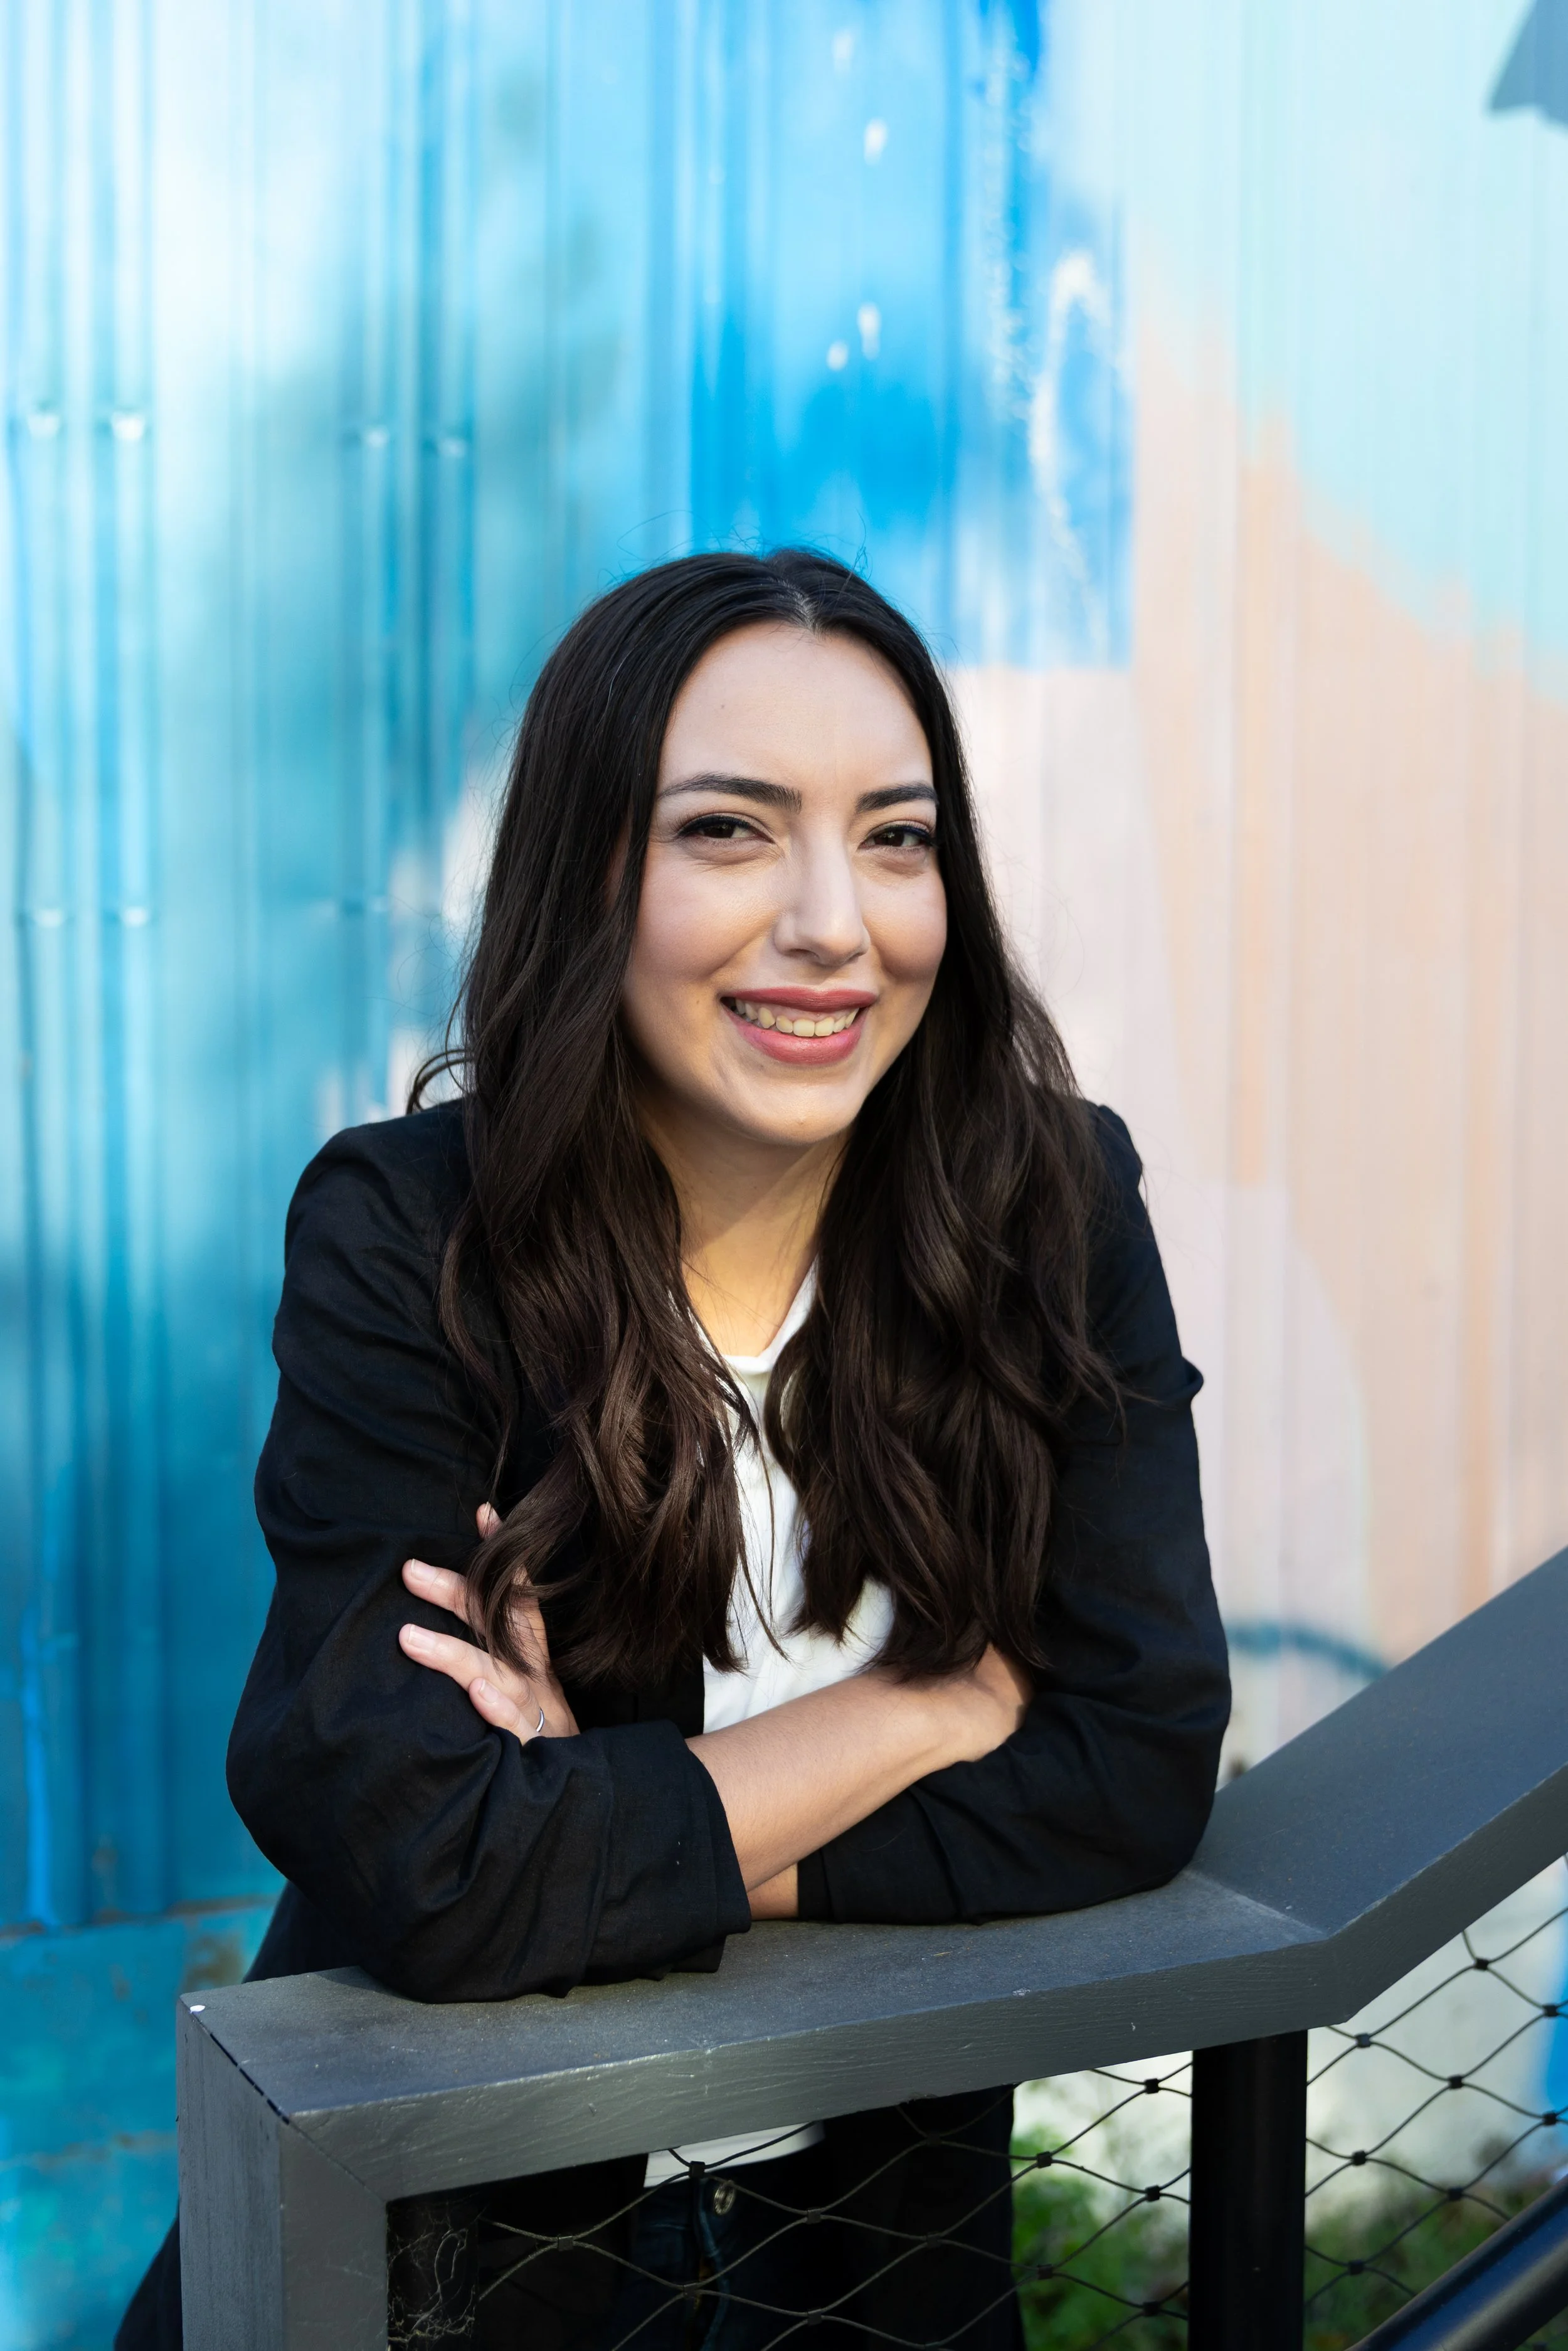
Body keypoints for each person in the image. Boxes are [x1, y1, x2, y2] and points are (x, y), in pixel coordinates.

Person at [118, 549, 1228, 2350]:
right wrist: (914, 1714)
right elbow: (430, 1861)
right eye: (729, 831)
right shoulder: (416, 1240)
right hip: (446, 2268)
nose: (832, 922)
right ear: (589, 876)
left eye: (895, 836)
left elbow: (1137, 1752)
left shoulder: (1045, 1201)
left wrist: (611, 1835)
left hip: (876, 2276)